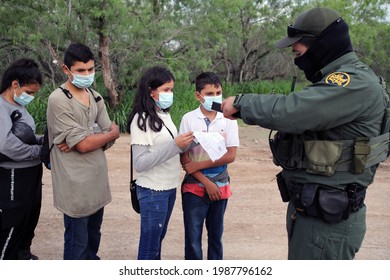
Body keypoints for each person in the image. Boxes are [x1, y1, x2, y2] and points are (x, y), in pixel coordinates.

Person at [221, 7, 390, 260]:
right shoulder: (343, 80)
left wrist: (242, 103)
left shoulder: (353, 83)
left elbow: (294, 111)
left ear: (322, 43)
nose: (294, 51)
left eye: (298, 44)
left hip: (327, 222)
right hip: (316, 212)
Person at [46, 43, 120, 260]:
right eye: (80, 70)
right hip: (74, 189)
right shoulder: (58, 100)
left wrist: (93, 136)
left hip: (97, 185)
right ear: (66, 70)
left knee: (92, 242)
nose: (87, 75)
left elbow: (101, 135)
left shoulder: (96, 97)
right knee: (76, 248)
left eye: (90, 69)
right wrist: (105, 136)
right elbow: (87, 143)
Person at [126, 66, 194, 260]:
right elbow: (140, 163)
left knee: (157, 242)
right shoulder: (141, 119)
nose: (169, 94)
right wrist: (175, 145)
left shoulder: (164, 115)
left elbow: (171, 148)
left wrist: (193, 140)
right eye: (165, 90)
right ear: (150, 91)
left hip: (169, 187)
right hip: (153, 191)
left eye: (171, 90)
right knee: (149, 248)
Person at [179, 72, 239, 260]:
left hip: (220, 187)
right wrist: (205, 181)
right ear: (198, 96)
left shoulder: (229, 119)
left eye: (218, 92)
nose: (215, 97)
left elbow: (230, 155)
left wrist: (199, 166)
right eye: (210, 93)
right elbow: (185, 159)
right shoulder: (188, 119)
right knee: (193, 238)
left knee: (215, 236)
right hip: (194, 187)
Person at [0, 58, 43, 260]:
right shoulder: (1, 107)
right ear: (15, 84)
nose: (31, 97)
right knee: (13, 220)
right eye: (29, 92)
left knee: (29, 218)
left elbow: (28, 137)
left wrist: (45, 141)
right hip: (13, 174)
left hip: (31, 172)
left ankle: (22, 254)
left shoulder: (20, 107)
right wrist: (38, 152)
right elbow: (6, 145)